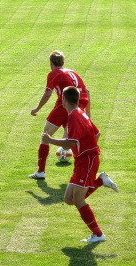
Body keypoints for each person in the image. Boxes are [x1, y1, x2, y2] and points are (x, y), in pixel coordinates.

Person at [41, 86, 118, 243]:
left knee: (78, 200)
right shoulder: (81, 113)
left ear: (64, 99)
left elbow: (69, 144)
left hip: (86, 161)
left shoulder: (75, 117)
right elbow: (96, 133)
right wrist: (86, 147)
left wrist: (50, 140)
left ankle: (98, 234)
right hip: (83, 160)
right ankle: (100, 181)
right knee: (69, 199)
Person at [29, 51, 91, 180]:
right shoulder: (72, 72)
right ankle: (81, 172)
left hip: (66, 104)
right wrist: (87, 113)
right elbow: (87, 91)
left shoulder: (54, 73)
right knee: (71, 140)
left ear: (51, 64)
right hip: (81, 103)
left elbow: (47, 93)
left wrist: (37, 108)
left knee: (45, 135)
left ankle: (40, 172)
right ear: (63, 62)